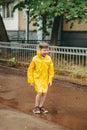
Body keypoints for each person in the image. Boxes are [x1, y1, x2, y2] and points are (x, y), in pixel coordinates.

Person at [27, 41, 54, 114]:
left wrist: (50, 80)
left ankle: (41, 106)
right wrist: (31, 81)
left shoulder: (49, 59)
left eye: (47, 50)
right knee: (39, 92)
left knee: (44, 93)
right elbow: (30, 70)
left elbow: (51, 70)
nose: (46, 52)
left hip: (45, 79)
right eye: (44, 50)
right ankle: (36, 107)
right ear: (39, 50)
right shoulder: (35, 59)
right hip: (37, 79)